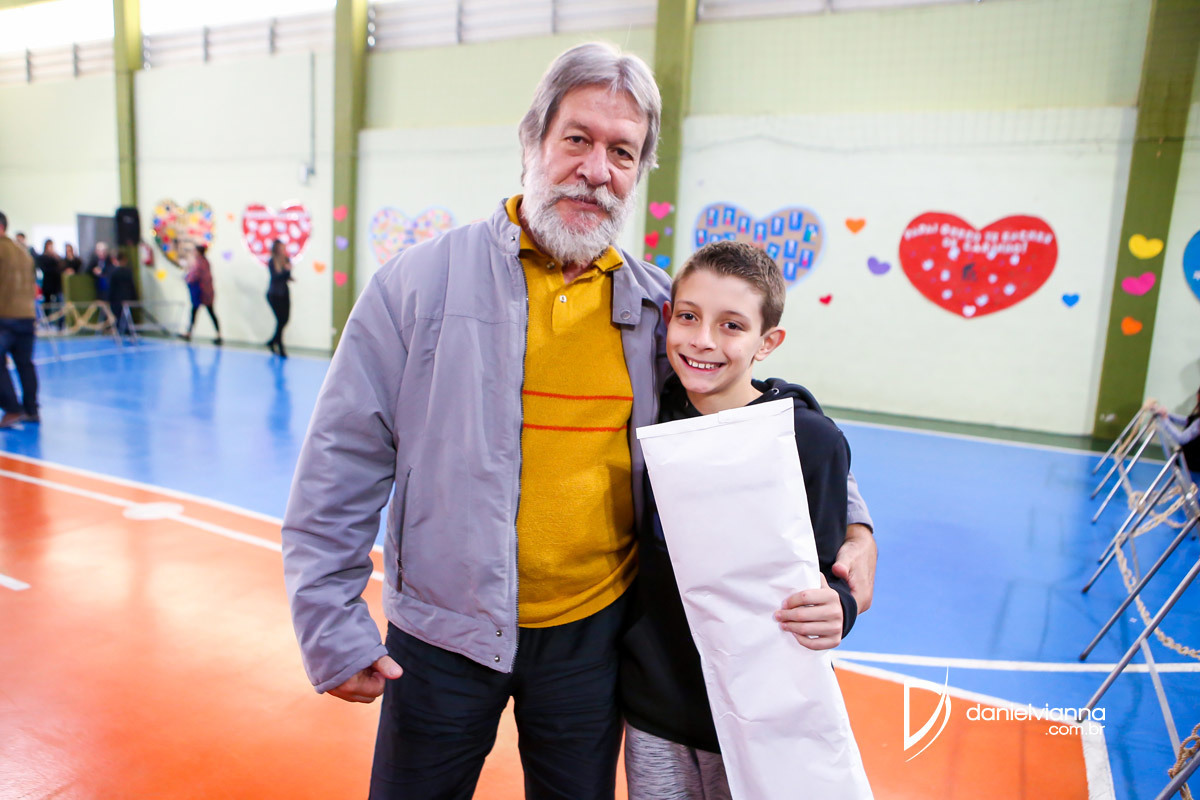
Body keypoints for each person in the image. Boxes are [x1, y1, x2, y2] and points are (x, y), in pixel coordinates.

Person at [281, 42, 877, 800]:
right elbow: (341, 459)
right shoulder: (419, 285)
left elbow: (750, 405)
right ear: (532, 140)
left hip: (592, 643)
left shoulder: (658, 309)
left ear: (637, 172)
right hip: (441, 636)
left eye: (622, 152)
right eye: (577, 139)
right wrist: (330, 624)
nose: (596, 170)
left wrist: (855, 525)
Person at [620, 240, 858, 798]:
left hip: (764, 716)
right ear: (667, 318)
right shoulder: (649, 414)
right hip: (656, 706)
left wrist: (840, 608)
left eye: (731, 325)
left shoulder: (808, 440)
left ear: (767, 342)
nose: (703, 340)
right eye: (688, 317)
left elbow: (827, 574)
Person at [0, 211, 39, 428]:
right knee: (25, 364)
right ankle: (32, 410)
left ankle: (12, 408)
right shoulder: (23, 251)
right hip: (27, 316)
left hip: (5, 316)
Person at [1152, 389, 1200, 473]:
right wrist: (1166, 415)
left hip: (1192, 466)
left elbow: (1182, 438)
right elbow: (1188, 421)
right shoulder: (1197, 417)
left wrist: (1165, 419)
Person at [182, 243, 221, 345]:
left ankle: (189, 333)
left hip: (202, 293)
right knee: (204, 312)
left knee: (197, 312)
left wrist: (186, 278)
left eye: (195, 251)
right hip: (207, 293)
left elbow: (193, 277)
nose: (193, 252)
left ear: (198, 252)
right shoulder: (205, 262)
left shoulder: (199, 263)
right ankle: (218, 334)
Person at [265, 239, 292, 357]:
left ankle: (272, 341)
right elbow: (276, 277)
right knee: (280, 320)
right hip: (274, 294)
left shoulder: (286, 260)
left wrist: (288, 272)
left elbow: (286, 275)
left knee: (285, 319)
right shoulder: (272, 261)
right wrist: (286, 271)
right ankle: (279, 345)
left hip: (284, 293)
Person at [108, 250, 139, 338]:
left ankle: (122, 334)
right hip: (127, 299)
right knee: (126, 318)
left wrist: (109, 299)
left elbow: (111, 288)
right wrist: (134, 298)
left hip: (117, 300)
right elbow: (132, 286)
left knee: (120, 318)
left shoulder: (113, 272)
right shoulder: (128, 272)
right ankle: (126, 334)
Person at [36, 240, 64, 315]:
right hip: (47, 284)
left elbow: (61, 267)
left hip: (56, 285)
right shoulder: (42, 258)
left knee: (59, 304)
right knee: (47, 304)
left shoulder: (57, 257)